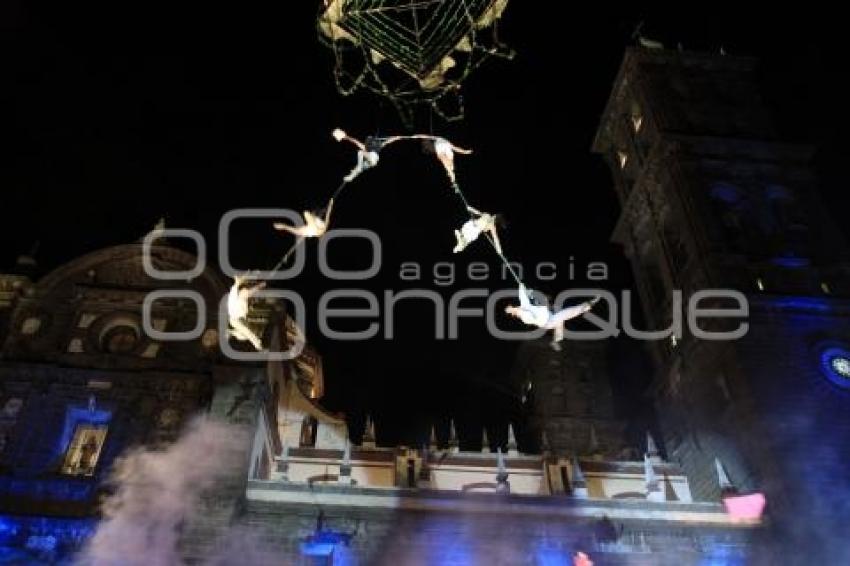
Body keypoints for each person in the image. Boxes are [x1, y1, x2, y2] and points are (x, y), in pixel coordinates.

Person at [505, 284, 600, 350]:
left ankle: (556, 340)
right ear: (514, 314)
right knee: (565, 314)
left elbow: (522, 296)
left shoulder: (524, 305)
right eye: (513, 310)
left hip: (549, 315)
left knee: (561, 317)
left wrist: (521, 286)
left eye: (513, 307)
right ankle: (588, 305)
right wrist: (516, 310)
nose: (515, 307)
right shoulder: (524, 318)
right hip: (547, 322)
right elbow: (529, 315)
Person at [227, 274, 266, 351]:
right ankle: (258, 346)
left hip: (235, 319)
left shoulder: (236, 294)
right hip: (236, 319)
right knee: (247, 333)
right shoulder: (241, 293)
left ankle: (230, 332)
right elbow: (249, 333)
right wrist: (260, 286)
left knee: (243, 335)